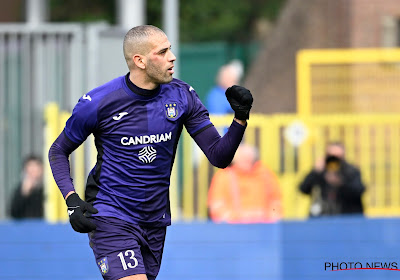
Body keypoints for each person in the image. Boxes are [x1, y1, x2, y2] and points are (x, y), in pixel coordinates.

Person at [48, 25, 253, 280]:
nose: (172, 57)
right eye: (163, 51)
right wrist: (71, 200)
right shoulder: (99, 102)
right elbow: (58, 150)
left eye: (170, 49)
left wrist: (240, 119)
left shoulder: (182, 96)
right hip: (112, 216)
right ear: (140, 61)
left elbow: (219, 156)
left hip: (155, 222)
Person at [208, 144, 282, 223]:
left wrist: (267, 218)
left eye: (249, 159)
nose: (246, 162)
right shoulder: (223, 177)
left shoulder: (266, 175)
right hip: (233, 229)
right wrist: (238, 218)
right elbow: (216, 207)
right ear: (234, 160)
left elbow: (276, 202)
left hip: (262, 228)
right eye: (243, 159)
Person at [298, 142, 365, 217]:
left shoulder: (350, 171)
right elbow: (303, 189)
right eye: (331, 156)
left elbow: (359, 190)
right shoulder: (320, 171)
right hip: (323, 217)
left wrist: (340, 182)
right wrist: (315, 172)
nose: (334, 160)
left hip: (347, 217)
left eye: (337, 156)